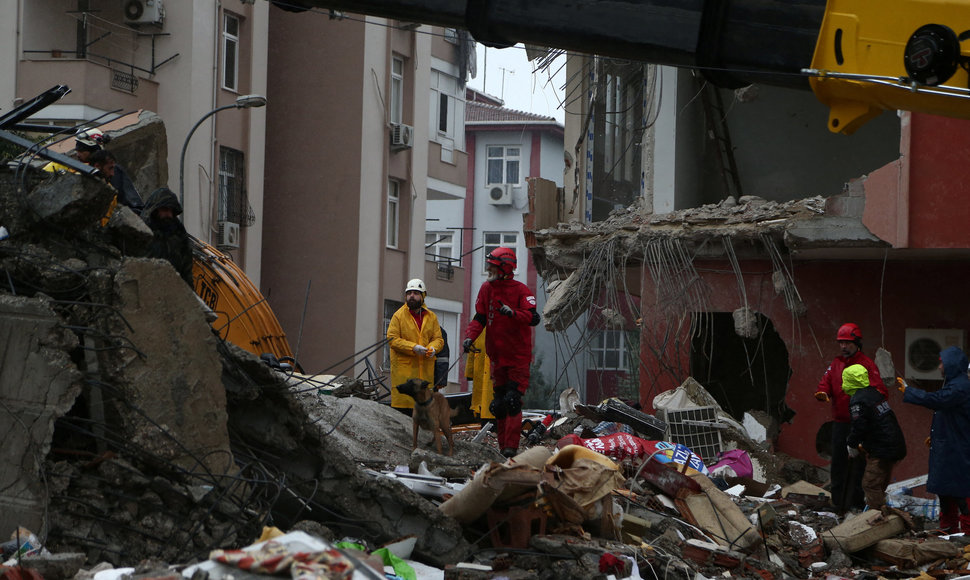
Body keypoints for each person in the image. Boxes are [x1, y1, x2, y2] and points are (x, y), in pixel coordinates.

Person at [462, 247, 540, 457]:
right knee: (498, 405)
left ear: (505, 267)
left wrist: (513, 313)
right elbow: (480, 317)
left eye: (492, 266)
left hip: (518, 358)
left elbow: (534, 317)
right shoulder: (486, 289)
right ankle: (502, 448)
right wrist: (469, 337)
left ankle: (511, 449)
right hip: (496, 357)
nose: (488, 270)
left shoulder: (521, 290)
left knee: (512, 401)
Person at [814, 322, 888, 513]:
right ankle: (838, 503)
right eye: (841, 343)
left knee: (858, 465)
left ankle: (856, 504)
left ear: (856, 342)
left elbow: (880, 390)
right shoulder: (836, 364)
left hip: (861, 424)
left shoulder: (867, 365)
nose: (844, 346)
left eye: (847, 342)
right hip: (841, 423)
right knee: (838, 463)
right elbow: (826, 382)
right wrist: (823, 391)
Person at [901, 346, 970, 533]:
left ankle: (966, 536)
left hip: (958, 450)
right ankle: (948, 532)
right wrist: (938, 435)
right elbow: (950, 415)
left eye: (942, 363)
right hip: (949, 447)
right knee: (947, 493)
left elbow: (939, 400)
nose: (939, 367)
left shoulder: (959, 386)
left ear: (951, 365)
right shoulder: (954, 383)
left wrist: (909, 391)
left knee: (962, 494)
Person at [842, 364, 906, 512]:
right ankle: (880, 510)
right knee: (879, 482)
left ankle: (877, 516)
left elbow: (859, 425)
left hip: (882, 449)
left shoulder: (858, 400)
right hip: (894, 444)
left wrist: (851, 444)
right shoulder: (874, 394)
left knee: (870, 483)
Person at [387, 278, 444, 413]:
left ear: (423, 296)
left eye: (416, 293)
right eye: (409, 293)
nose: (412, 296)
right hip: (404, 379)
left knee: (424, 422)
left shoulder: (431, 317)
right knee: (403, 419)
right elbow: (392, 339)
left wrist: (433, 348)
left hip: (423, 381)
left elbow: (439, 339)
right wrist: (413, 348)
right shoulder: (398, 316)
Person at [141, 187, 194, 286]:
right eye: (165, 210)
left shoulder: (179, 235)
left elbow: (186, 272)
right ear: (155, 210)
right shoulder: (141, 232)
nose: (169, 214)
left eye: (171, 211)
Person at [88, 149, 144, 215]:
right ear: (97, 166)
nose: (112, 174)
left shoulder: (115, 176)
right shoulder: (86, 189)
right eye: (110, 168)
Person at [466, 330, 495, 421]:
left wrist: (469, 373)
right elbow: (472, 350)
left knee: (489, 402)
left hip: (493, 374)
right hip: (480, 374)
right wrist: (469, 372)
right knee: (481, 402)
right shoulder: (480, 327)